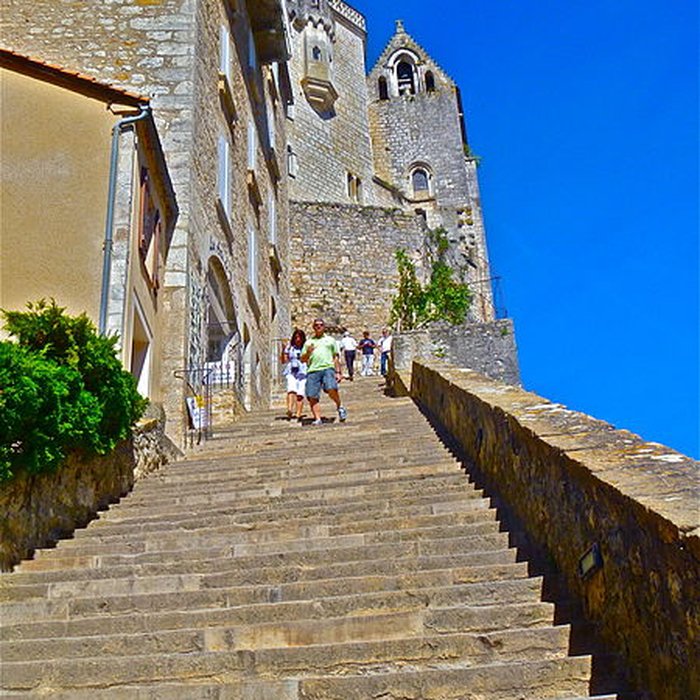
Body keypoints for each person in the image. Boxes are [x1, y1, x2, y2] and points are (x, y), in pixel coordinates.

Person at [300, 318, 347, 425]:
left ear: (324, 327)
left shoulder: (330, 340)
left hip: (328, 368)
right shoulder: (309, 342)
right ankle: (317, 418)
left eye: (321, 325)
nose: (319, 326)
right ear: (313, 327)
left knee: (331, 388)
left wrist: (338, 372)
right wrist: (308, 353)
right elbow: (302, 359)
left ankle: (339, 406)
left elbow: (335, 356)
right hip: (313, 370)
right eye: (316, 325)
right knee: (312, 395)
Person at [281, 329, 307, 420]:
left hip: (303, 372)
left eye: (300, 337)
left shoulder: (306, 347)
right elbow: (284, 360)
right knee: (291, 389)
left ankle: (298, 413)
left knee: (300, 393)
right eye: (296, 337)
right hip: (291, 371)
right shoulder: (289, 347)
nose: (298, 339)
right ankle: (289, 409)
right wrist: (283, 350)